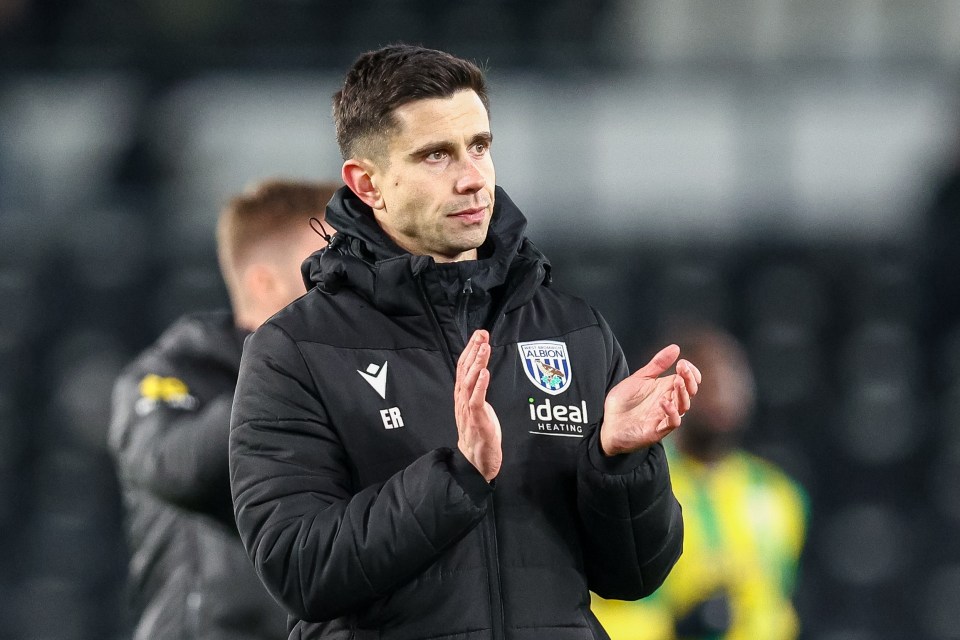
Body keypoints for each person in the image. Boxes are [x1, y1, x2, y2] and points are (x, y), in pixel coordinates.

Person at [229, 44, 701, 640]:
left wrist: (620, 463)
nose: (473, 177)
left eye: (480, 146)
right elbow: (301, 569)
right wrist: (458, 476)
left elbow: (636, 575)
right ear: (367, 183)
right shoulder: (295, 350)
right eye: (436, 156)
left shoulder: (573, 331)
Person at [108, 179, 339, 640]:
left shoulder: (353, 372)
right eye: (332, 266)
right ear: (265, 282)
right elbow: (175, 467)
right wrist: (292, 370)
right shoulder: (174, 372)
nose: (353, 283)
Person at [592, 325, 809, 640]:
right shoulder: (632, 484)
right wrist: (678, 628)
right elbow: (611, 606)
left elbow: (777, 608)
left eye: (733, 373)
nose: (723, 386)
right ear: (670, 390)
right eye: (704, 376)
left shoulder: (779, 494)